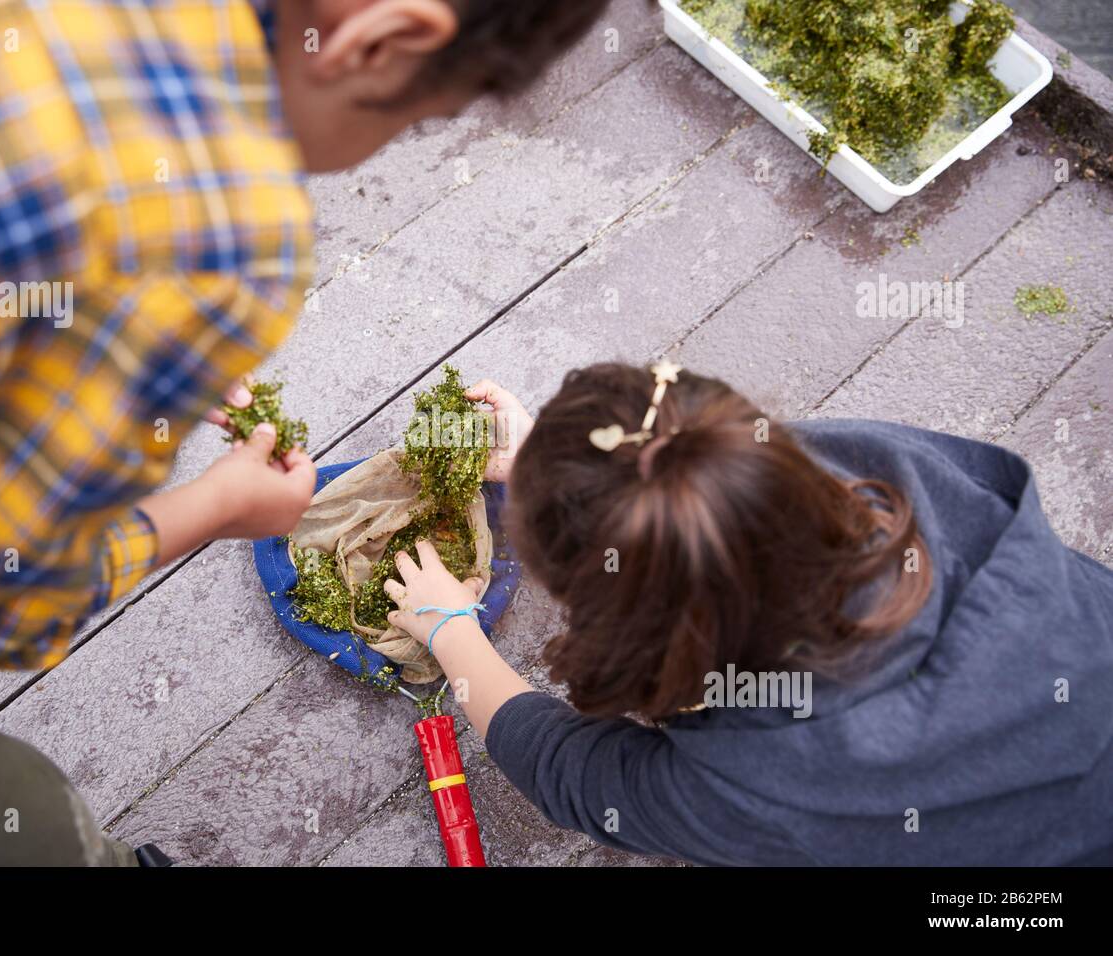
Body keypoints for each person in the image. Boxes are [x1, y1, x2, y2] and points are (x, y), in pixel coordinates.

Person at [0, 0, 610, 864]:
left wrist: (96, 353)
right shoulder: (217, 232)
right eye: (427, 117)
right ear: (383, 42)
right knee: (27, 827)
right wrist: (214, 507)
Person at [384, 364, 1113, 865]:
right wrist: (555, 467)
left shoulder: (760, 785)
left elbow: (578, 776)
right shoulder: (875, 463)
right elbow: (696, 485)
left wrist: (453, 633)